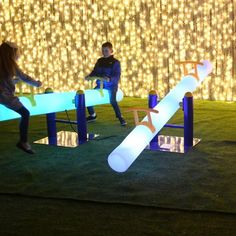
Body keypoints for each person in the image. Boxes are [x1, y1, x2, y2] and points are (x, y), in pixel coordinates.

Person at [0, 41, 42, 154]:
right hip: (5, 96)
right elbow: (24, 77)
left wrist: (14, 81)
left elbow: (5, 80)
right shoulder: (10, 64)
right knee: (25, 113)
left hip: (4, 95)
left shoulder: (6, 63)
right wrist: (36, 84)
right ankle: (23, 141)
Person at [85, 42, 126, 126]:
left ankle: (120, 117)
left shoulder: (115, 62)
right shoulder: (99, 61)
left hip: (111, 86)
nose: (104, 52)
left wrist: (110, 79)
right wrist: (89, 76)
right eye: (103, 50)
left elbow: (117, 75)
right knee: (89, 97)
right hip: (100, 85)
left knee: (113, 101)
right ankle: (92, 115)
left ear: (111, 51)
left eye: (106, 50)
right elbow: (95, 71)